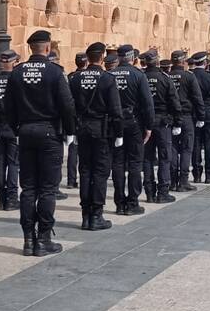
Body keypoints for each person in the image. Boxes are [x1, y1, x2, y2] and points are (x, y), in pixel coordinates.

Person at [5, 30, 76, 255]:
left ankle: (28, 239)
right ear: (47, 48)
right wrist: (70, 131)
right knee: (47, 188)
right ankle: (43, 238)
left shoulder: (17, 72)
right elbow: (67, 105)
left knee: (28, 188)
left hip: (25, 132)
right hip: (49, 132)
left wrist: (16, 128)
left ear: (30, 48)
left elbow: (8, 107)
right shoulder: (55, 72)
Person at [70, 42, 122, 230]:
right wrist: (119, 133)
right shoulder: (107, 79)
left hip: (82, 128)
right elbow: (115, 109)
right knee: (100, 172)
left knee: (85, 170)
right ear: (102, 58)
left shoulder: (76, 78)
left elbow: (70, 106)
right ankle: (96, 215)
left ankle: (85, 215)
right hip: (101, 130)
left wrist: (72, 130)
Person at [109, 45, 153, 214]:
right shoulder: (138, 75)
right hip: (134, 123)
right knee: (135, 163)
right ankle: (133, 203)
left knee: (118, 163)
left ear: (119, 58)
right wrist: (149, 126)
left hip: (115, 124)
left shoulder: (110, 74)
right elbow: (147, 104)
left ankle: (120, 203)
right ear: (132, 58)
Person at [141, 49, 182, 203]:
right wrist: (178, 122)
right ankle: (163, 192)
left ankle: (149, 192)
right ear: (157, 61)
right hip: (162, 122)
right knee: (165, 157)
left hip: (146, 122)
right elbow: (174, 102)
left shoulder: (142, 77)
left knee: (147, 158)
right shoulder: (164, 78)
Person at [0, 50, 20, 211]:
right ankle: (12, 199)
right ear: (14, 62)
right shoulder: (17, 81)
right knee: (13, 164)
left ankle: (1, 200)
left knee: (0, 164)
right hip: (13, 129)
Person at [168, 50, 202, 191]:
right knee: (187, 149)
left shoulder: (167, 76)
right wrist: (201, 116)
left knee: (173, 149)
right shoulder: (189, 76)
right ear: (183, 61)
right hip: (186, 116)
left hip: (171, 117)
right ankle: (183, 181)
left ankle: (173, 181)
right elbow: (197, 98)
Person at [189, 52, 210, 183]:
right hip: (209, 112)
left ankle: (197, 174)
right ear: (205, 63)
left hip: (194, 113)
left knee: (196, 145)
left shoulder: (190, 76)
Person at [65, 52, 88, 189]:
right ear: (86, 62)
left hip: (73, 116)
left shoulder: (70, 77)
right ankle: (85, 179)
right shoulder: (87, 77)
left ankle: (71, 180)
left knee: (72, 150)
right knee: (85, 151)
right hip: (86, 117)